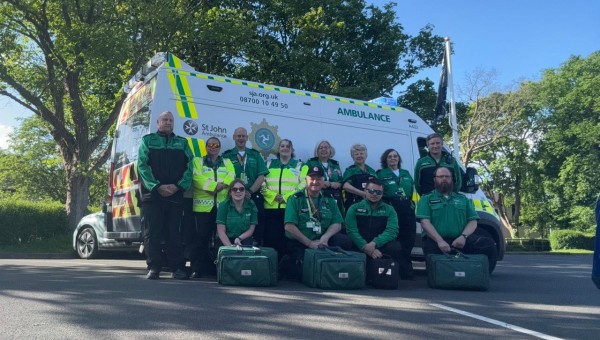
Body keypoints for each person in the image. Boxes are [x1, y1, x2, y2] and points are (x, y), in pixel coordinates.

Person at [137, 111, 194, 280]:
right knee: (152, 233)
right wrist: (156, 186)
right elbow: (141, 165)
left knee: (173, 234)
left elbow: (190, 167)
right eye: (165, 120)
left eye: (170, 120)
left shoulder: (182, 143)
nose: (168, 122)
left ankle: (177, 268)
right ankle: (154, 267)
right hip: (152, 196)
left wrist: (178, 186)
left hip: (175, 196)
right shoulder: (147, 141)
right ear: (158, 122)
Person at [416, 167, 497, 272]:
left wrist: (463, 237)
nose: (444, 179)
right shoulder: (426, 199)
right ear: (434, 180)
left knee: (489, 245)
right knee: (436, 269)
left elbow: (473, 221)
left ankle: (481, 276)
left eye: (447, 176)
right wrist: (440, 241)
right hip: (435, 241)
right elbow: (425, 222)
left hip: (460, 240)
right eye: (440, 177)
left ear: (452, 179)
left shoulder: (463, 199)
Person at [283, 166, 353, 279]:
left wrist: (324, 238)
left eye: (319, 179)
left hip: (323, 240)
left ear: (323, 181)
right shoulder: (295, 199)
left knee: (345, 241)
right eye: (312, 178)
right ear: (306, 179)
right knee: (301, 271)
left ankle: (337, 273)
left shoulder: (329, 198)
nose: (315, 182)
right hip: (301, 241)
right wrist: (310, 243)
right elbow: (289, 226)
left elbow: (337, 223)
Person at [190, 137, 235, 278]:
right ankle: (197, 269)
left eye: (216, 145)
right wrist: (214, 186)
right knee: (200, 239)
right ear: (206, 147)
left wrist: (223, 185)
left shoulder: (226, 161)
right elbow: (196, 178)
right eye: (210, 145)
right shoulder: (198, 161)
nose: (213, 147)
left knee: (221, 239)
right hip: (203, 208)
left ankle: (218, 269)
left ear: (220, 147)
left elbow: (232, 175)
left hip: (221, 207)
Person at [345, 178, 405, 272]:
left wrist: (374, 244)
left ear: (382, 194)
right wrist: (365, 247)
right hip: (359, 245)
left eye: (378, 192)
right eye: (372, 191)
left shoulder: (389, 210)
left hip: (379, 247)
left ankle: (384, 271)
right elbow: (351, 231)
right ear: (365, 191)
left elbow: (392, 231)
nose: (374, 194)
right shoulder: (354, 208)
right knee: (345, 241)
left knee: (395, 246)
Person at [223, 127, 269, 244]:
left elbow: (262, 175)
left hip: (252, 194)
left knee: (258, 221)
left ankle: (256, 244)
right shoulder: (227, 156)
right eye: (238, 136)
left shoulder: (255, 154)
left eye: (243, 136)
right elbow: (224, 176)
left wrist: (250, 192)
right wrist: (239, 192)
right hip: (235, 195)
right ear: (234, 137)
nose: (241, 138)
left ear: (247, 138)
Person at [262, 139, 306, 258]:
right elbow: (261, 183)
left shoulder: (300, 165)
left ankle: (287, 270)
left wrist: (286, 197)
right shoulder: (268, 164)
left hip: (290, 208)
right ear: (278, 149)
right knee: (271, 240)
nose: (285, 148)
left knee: (289, 241)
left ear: (292, 150)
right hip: (270, 208)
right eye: (282, 146)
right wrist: (272, 196)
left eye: (288, 146)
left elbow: (303, 185)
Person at [377, 148, 416, 279]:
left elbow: (411, 192)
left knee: (408, 240)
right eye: (389, 157)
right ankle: (396, 270)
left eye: (395, 156)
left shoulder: (406, 173)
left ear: (399, 158)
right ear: (385, 160)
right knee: (394, 241)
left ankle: (407, 271)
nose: (393, 158)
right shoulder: (381, 174)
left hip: (407, 209)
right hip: (391, 208)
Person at [304, 140, 344, 215]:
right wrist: (321, 183)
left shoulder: (335, 164)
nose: (323, 150)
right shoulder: (310, 163)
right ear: (317, 151)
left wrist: (332, 184)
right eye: (321, 148)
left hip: (334, 196)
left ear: (330, 150)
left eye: (326, 147)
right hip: (317, 195)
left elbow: (341, 182)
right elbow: (305, 180)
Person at [216, 179, 258, 247]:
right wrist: (230, 248)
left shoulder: (251, 204)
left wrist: (239, 238)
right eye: (234, 189)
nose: (238, 191)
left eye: (241, 189)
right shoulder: (224, 205)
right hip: (226, 239)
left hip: (243, 238)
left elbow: (251, 230)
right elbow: (221, 231)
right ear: (230, 192)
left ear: (245, 192)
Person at [342, 143, 377, 213]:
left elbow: (378, 186)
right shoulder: (350, 170)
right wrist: (362, 193)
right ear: (352, 157)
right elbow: (345, 186)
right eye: (356, 154)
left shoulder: (372, 171)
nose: (359, 156)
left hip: (371, 205)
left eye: (361, 153)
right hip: (354, 205)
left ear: (366, 155)